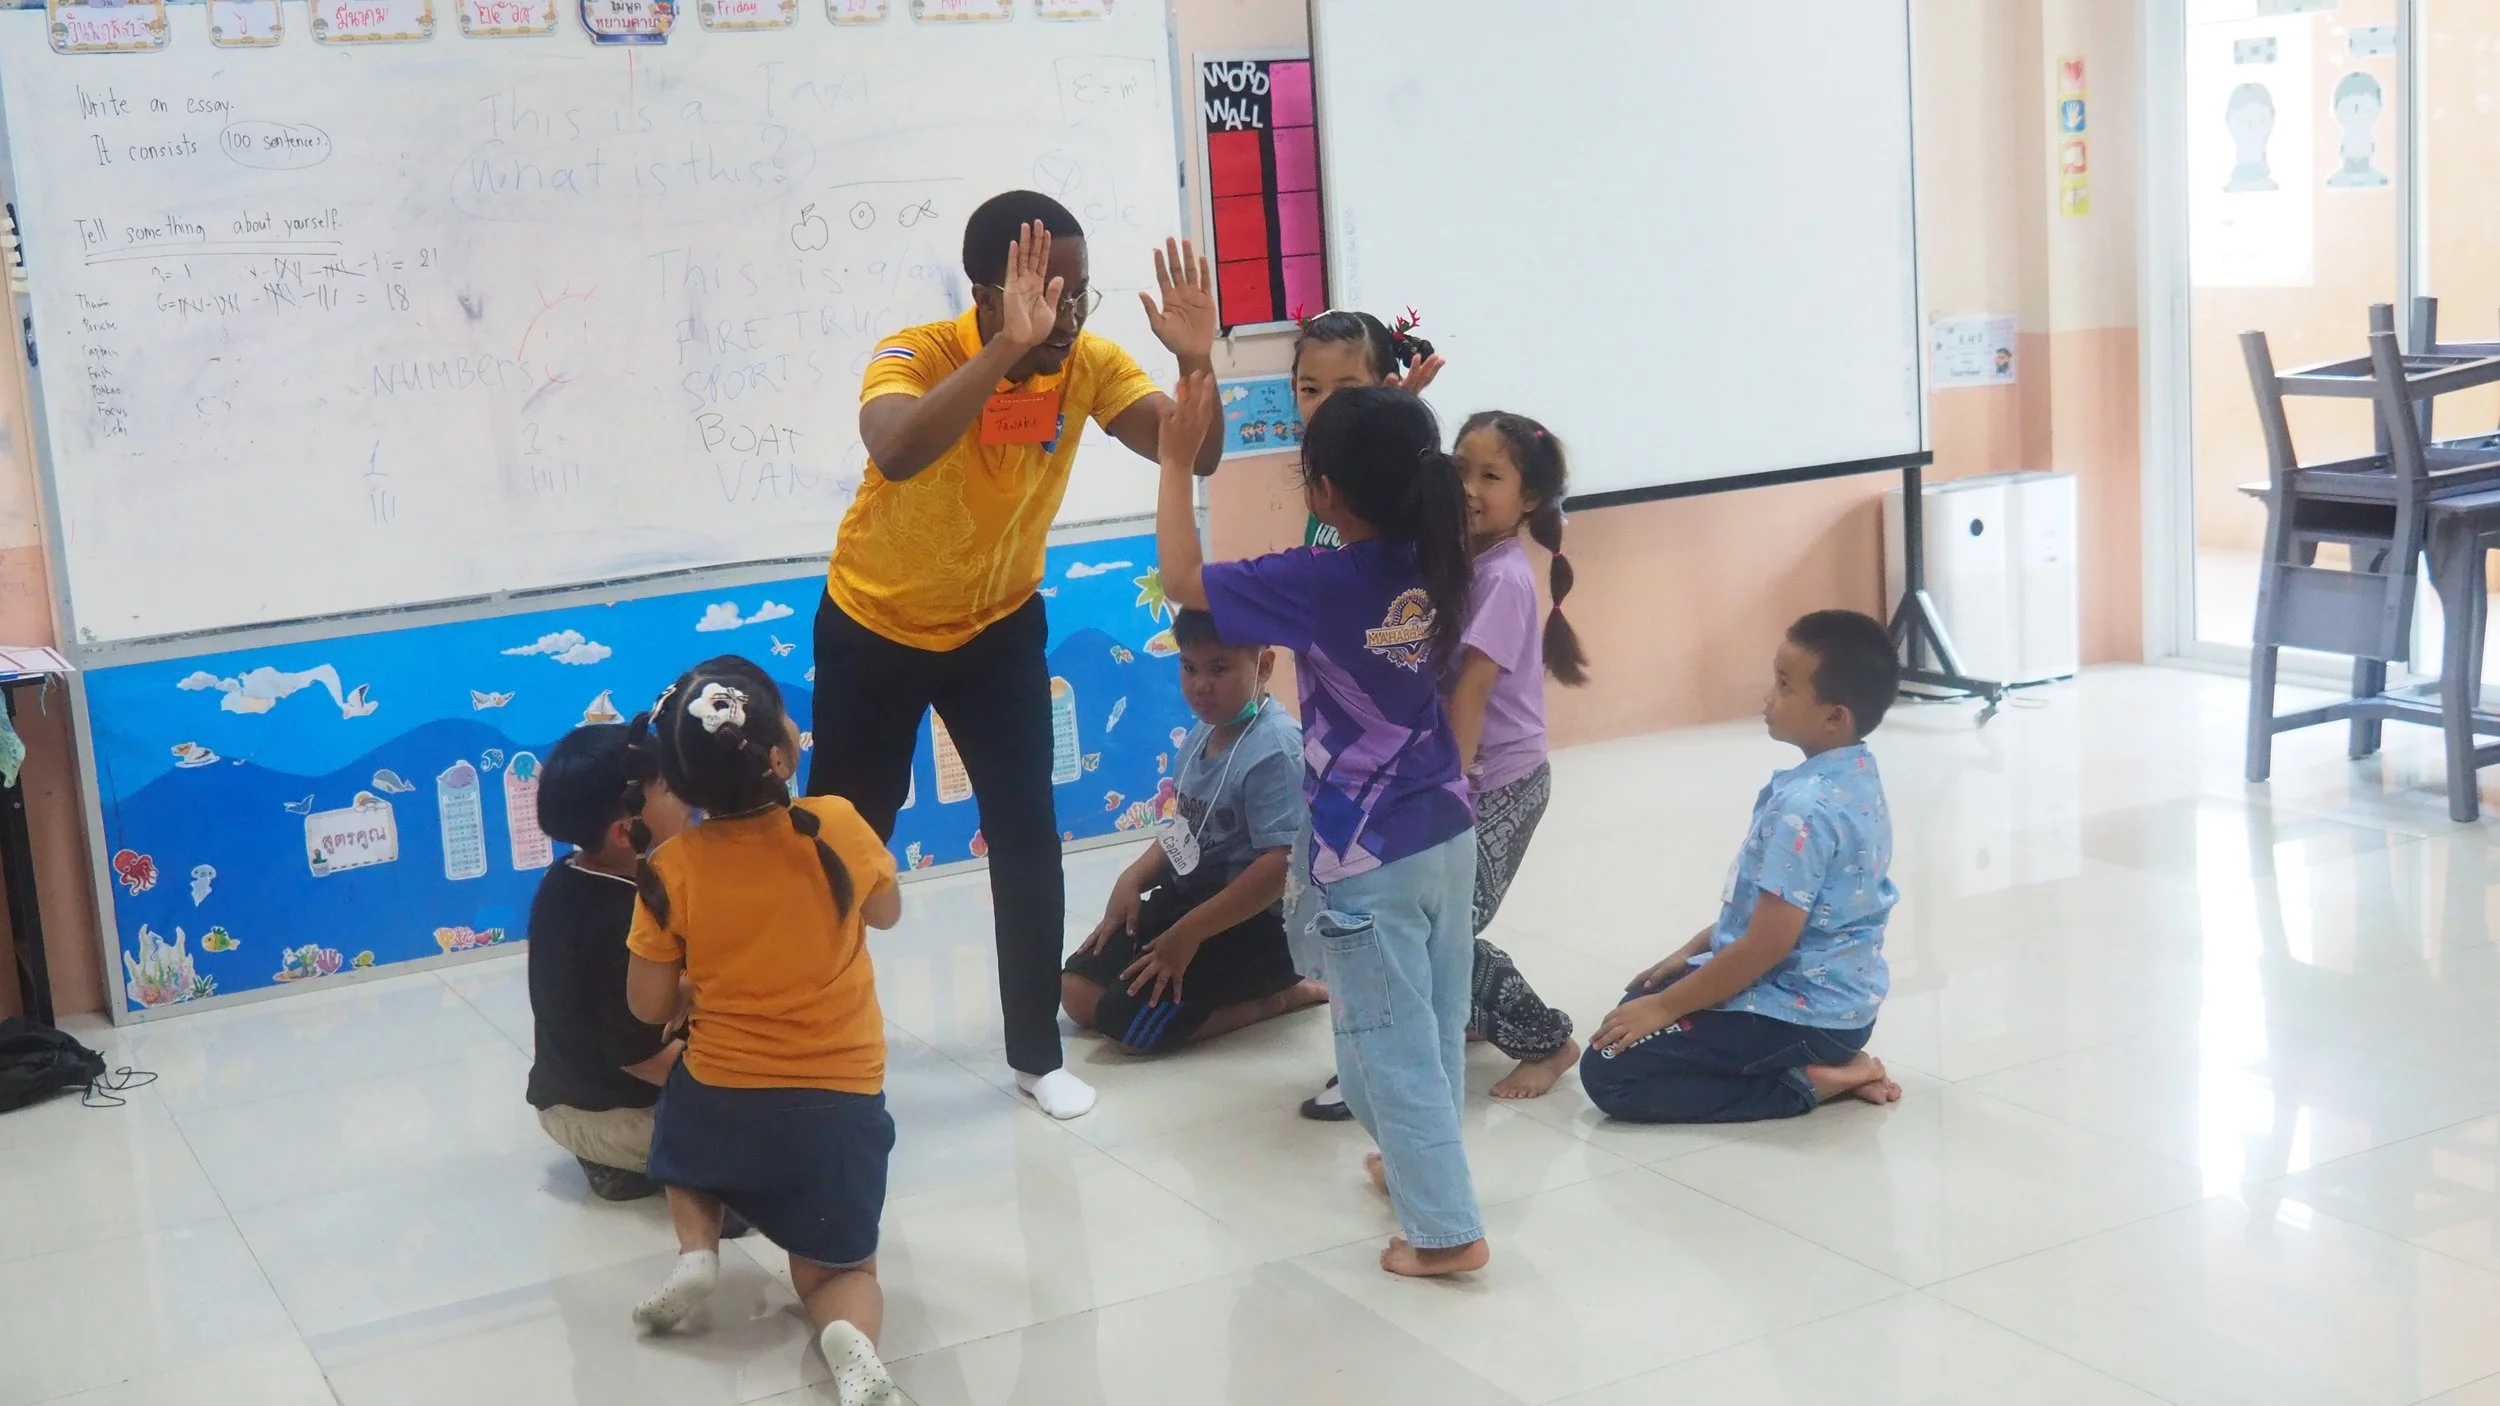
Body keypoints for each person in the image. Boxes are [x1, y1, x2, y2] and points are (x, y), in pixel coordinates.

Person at [810, 190, 1222, 1122]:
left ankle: (1036, 1055)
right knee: (840, 851)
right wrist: (1002, 354)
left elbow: (1192, 456)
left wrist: (1198, 364)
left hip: (996, 625)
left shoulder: (1088, 363)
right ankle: (816, 1049)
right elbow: (898, 452)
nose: (1065, 317)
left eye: (1080, 297)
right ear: (986, 294)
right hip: (875, 626)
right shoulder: (918, 352)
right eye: (1044, 293)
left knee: (1028, 833)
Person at [1155, 375, 1488, 1279]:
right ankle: (1424, 1172)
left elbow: (1183, 579)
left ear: (1327, 493)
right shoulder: (1439, 551)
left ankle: (1448, 1232)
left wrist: (1177, 461)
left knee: (1388, 1041)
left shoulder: (1319, 581)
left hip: (1369, 853)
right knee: (1431, 1018)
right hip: (1448, 833)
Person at [622, 658, 907, 1406]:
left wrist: (695, 981)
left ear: (678, 787)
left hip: (722, 1095)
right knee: (837, 1270)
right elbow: (886, 913)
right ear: (780, 751)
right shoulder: (836, 824)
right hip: (837, 1102)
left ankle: (696, 1254)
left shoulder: (671, 866)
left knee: (682, 1153)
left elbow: (648, 1005)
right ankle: (849, 1343)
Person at [1579, 610, 1905, 1124]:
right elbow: (1778, 912)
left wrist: (1667, 1010)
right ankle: (1819, 1061)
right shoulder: (1856, 774)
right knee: (1638, 998)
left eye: (1784, 685)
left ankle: (1813, 1082)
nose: (1768, 696)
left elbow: (1768, 943)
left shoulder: (1807, 811)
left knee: (1610, 1069)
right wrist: (1690, 954)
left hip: (1806, 1011)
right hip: (1826, 1002)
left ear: (1834, 716)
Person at [1062, 609, 1327, 1051]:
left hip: (1256, 930)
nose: (1201, 685)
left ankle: (1278, 998)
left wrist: (1188, 936)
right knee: (1077, 992)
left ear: (1263, 666)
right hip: (1188, 906)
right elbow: (1184, 826)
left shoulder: (1276, 750)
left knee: (1129, 1027)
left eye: (1219, 668)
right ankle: (1183, 982)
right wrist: (1134, 878)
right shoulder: (1204, 731)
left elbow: (1280, 867)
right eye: (1189, 667)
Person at [1446, 410, 1590, 1099]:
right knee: (1433, 917)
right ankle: (1473, 1011)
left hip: (1501, 780)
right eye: (1460, 470)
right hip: (1474, 773)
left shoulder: (1503, 578)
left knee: (1442, 925)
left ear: (1527, 500)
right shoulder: (1464, 559)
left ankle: (1546, 1040)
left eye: (1491, 476)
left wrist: (1446, 791)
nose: (1469, 488)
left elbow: (1471, 690)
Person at [523, 721, 691, 1203]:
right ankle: (662, 1160)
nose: (689, 799)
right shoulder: (621, 922)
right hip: (607, 1111)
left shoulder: (569, 876)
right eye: (672, 791)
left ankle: (624, 1162)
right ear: (624, 831)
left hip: (573, 1102)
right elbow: (638, 1055)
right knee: (771, 1120)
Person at [1290, 310, 1443, 551]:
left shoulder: (1400, 466)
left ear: (1384, 388)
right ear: (1294, 387)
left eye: (1346, 391)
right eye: (1310, 390)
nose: (1326, 405)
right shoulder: (1323, 463)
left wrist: (1396, 418)